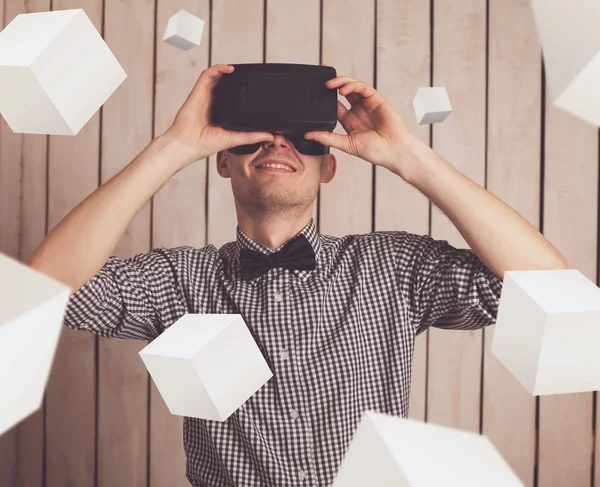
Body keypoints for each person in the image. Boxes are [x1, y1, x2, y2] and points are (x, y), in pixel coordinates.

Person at [27, 64, 567, 486]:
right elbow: (44, 289)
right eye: (252, 133)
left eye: (303, 136)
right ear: (221, 158)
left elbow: (547, 284)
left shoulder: (395, 268)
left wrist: (409, 156)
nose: (277, 143)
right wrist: (174, 148)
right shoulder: (178, 281)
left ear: (329, 162)